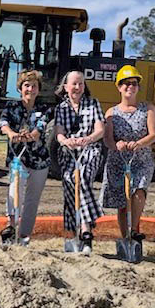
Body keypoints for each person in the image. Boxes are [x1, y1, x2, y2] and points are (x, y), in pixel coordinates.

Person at [101, 65, 155, 242]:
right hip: (118, 161)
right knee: (123, 202)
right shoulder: (111, 112)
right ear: (119, 87)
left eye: (133, 83)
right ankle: (125, 237)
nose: (129, 87)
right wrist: (116, 144)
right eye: (125, 83)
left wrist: (139, 144)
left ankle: (134, 229)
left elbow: (153, 134)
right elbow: (107, 139)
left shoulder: (148, 109)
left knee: (139, 191)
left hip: (141, 160)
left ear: (138, 87)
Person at [0, 69, 53, 244]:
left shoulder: (44, 109)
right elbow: (3, 123)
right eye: (26, 85)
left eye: (34, 86)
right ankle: (11, 225)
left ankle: (24, 234)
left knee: (32, 198)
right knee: (15, 187)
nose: (30, 89)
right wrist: (11, 133)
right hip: (17, 156)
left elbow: (41, 127)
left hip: (39, 159)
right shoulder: (11, 106)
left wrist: (34, 133)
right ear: (21, 88)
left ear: (38, 89)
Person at [55, 70, 105, 254]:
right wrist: (65, 141)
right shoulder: (61, 108)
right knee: (69, 183)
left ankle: (85, 232)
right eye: (74, 84)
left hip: (89, 150)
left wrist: (88, 139)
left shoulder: (93, 104)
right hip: (69, 151)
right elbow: (59, 132)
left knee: (82, 178)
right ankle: (77, 232)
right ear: (66, 87)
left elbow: (100, 129)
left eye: (81, 84)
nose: (77, 87)